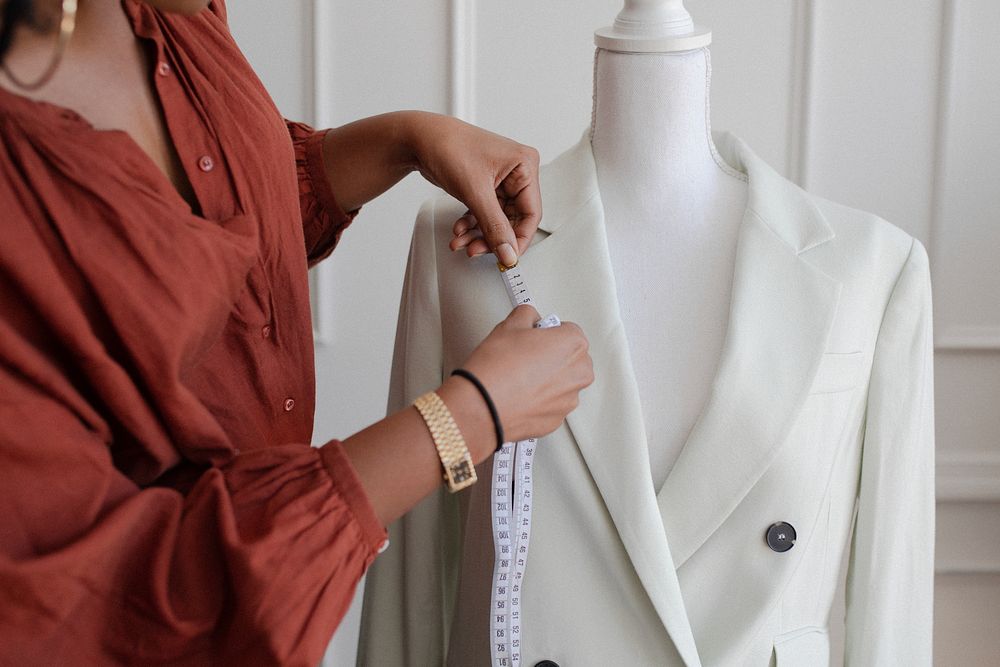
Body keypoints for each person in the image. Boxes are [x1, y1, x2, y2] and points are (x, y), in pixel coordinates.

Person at [0, 0, 594, 664]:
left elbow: (213, 205)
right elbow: (99, 605)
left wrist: (407, 139)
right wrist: (464, 420)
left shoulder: (164, 13)